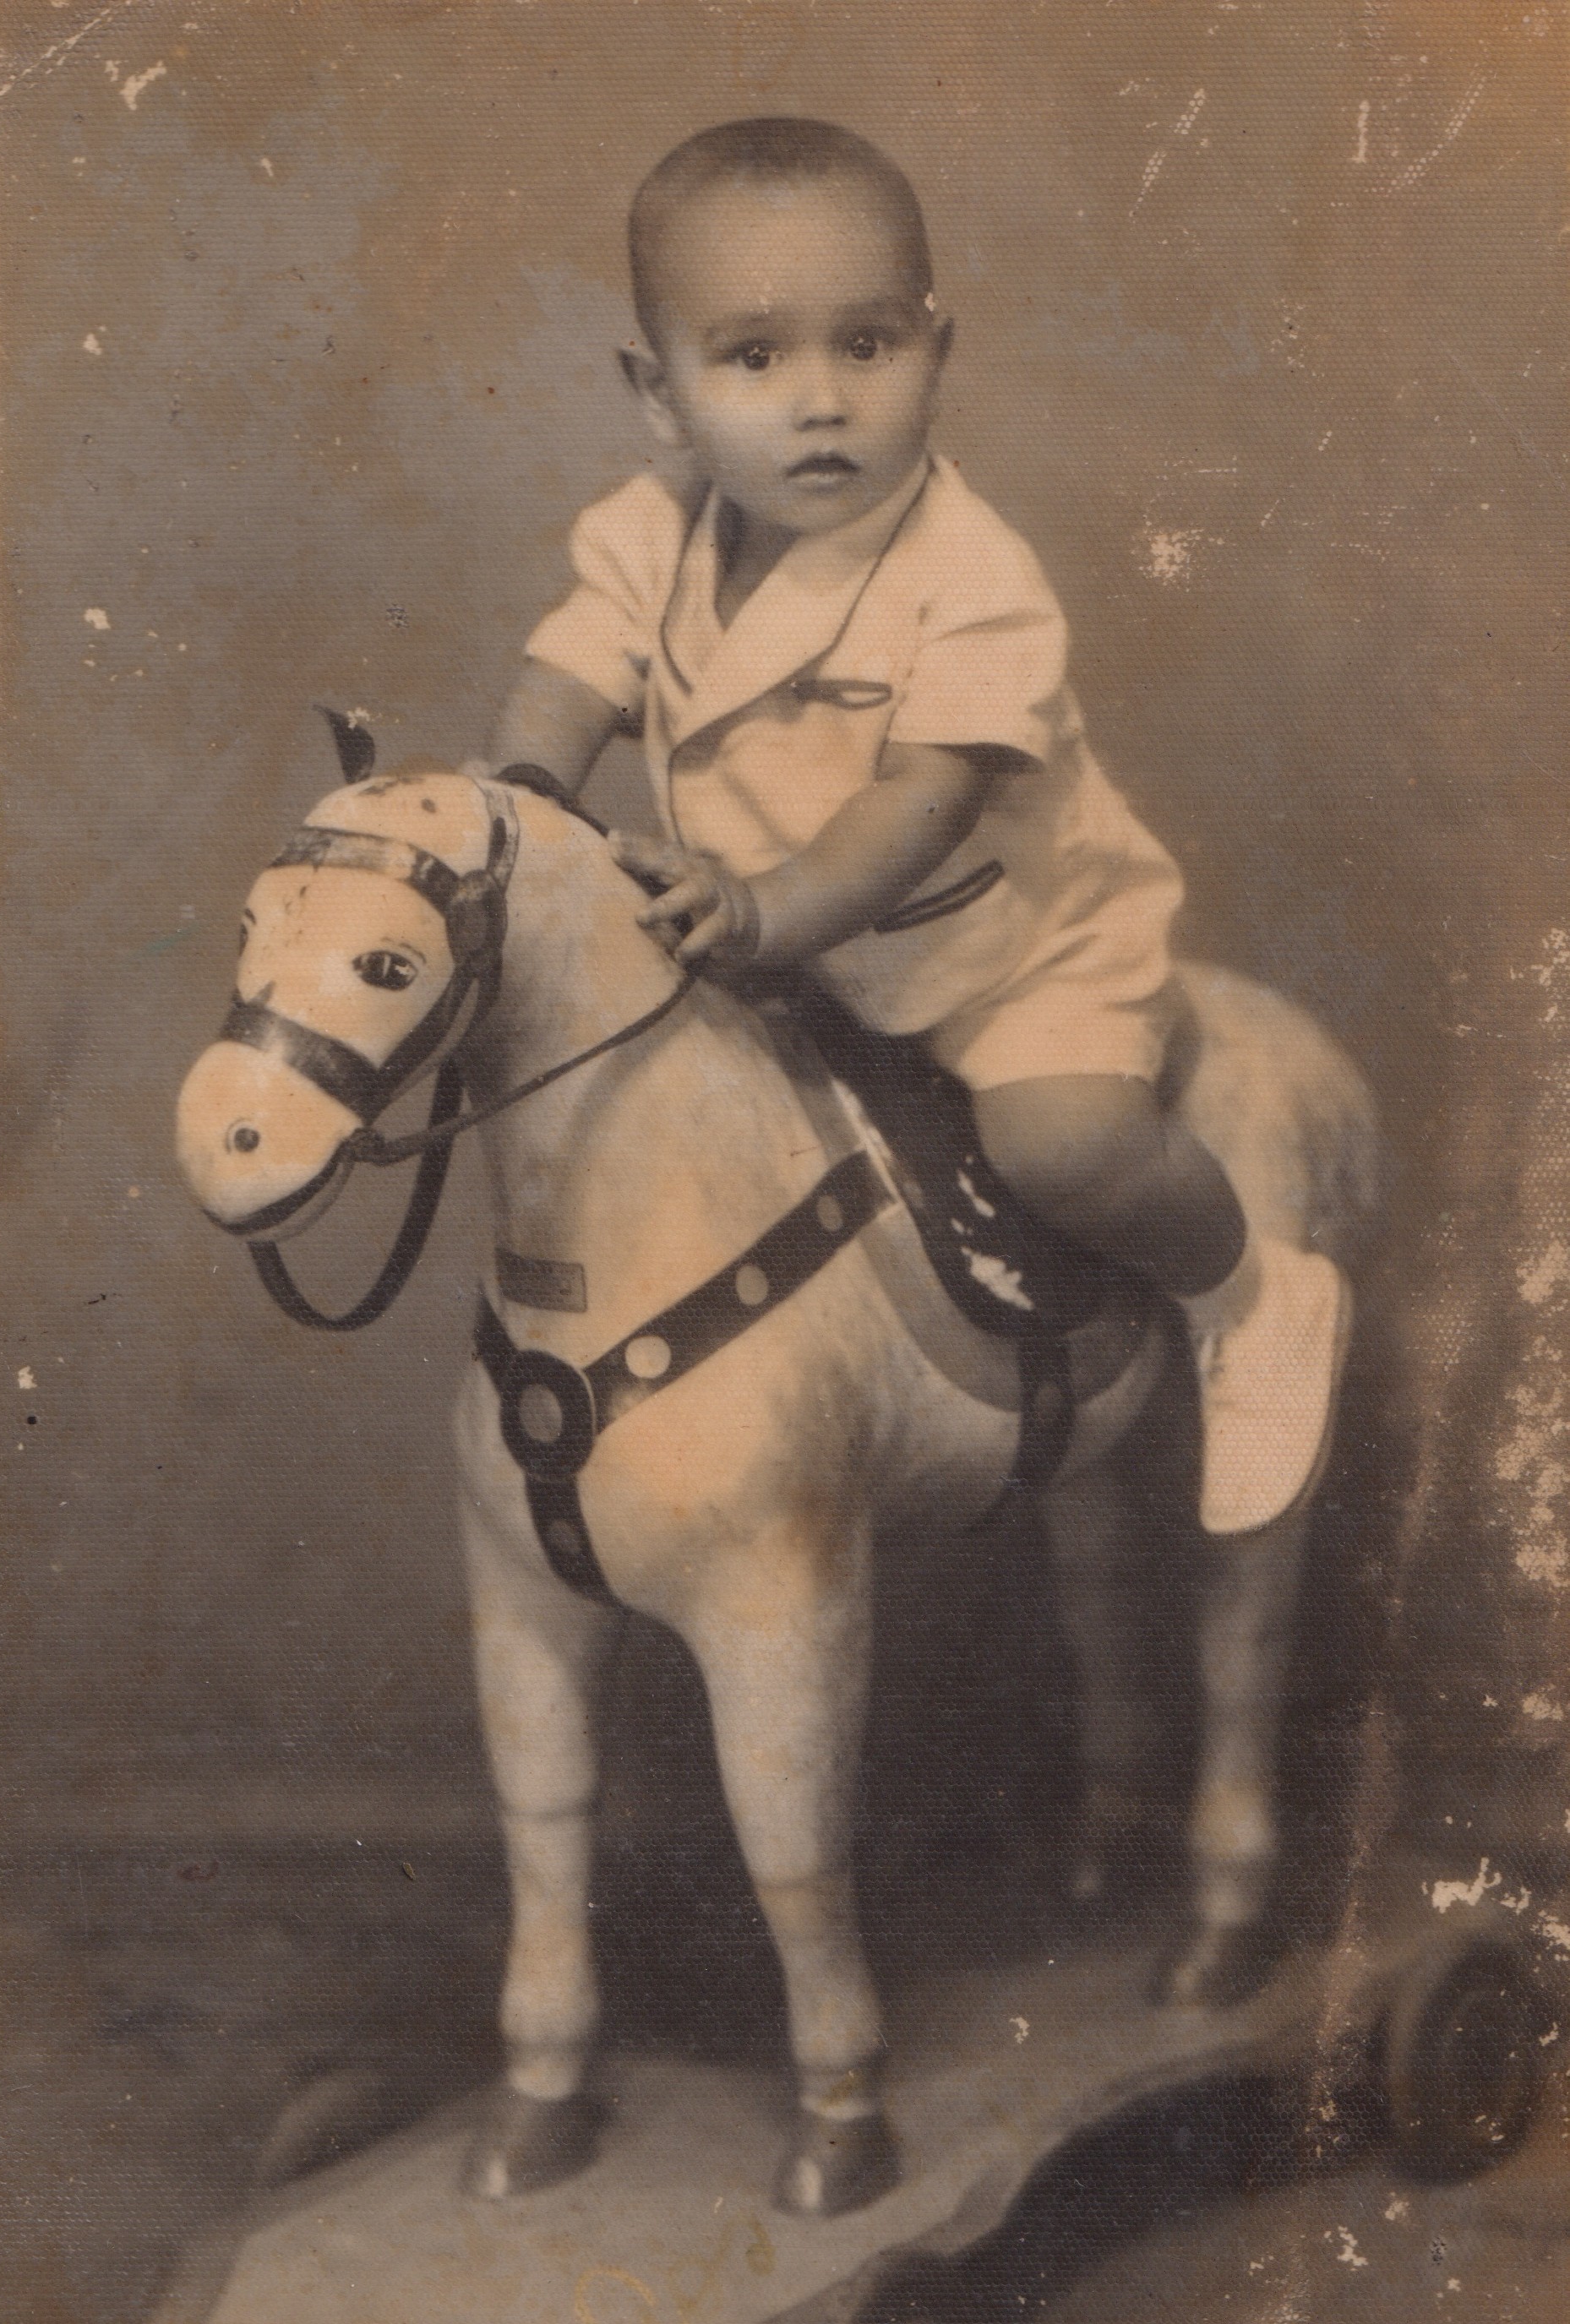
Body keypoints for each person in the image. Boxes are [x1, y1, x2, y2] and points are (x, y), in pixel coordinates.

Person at [489, 117, 1348, 1536]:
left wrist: (760, 910)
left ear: (936, 353)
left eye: (868, 345)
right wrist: (519, 793)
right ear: (659, 393)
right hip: (806, 956)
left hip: (1013, 949)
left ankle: (1249, 1297)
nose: (820, 400)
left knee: (1058, 1140)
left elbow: (919, 799)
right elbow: (574, 668)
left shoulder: (972, 579)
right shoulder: (649, 532)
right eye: (755, 358)